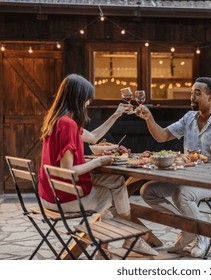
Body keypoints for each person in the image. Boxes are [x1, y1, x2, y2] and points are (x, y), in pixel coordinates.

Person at [37, 74, 158, 258]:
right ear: (78, 98)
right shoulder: (68, 125)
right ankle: (127, 238)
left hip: (49, 192)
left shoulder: (57, 120)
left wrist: (116, 115)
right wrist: (99, 161)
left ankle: (121, 243)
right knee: (111, 196)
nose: (88, 103)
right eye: (87, 98)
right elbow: (67, 171)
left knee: (116, 180)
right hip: (64, 197)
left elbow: (93, 137)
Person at [135, 77, 211, 258]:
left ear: (210, 97)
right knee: (148, 190)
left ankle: (202, 236)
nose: (192, 97)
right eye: (192, 93)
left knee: (182, 194)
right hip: (187, 177)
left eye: (197, 93)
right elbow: (161, 136)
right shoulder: (189, 118)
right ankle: (188, 229)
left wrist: (202, 159)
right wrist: (149, 118)